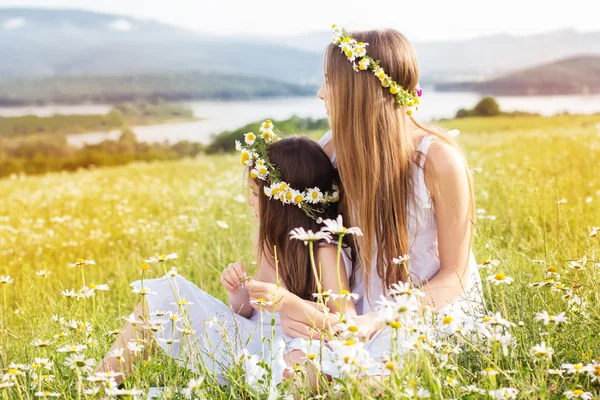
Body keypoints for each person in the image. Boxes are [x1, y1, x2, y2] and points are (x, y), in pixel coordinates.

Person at [279, 25, 485, 373]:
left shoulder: (438, 161)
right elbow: (312, 242)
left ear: (359, 90)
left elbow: (456, 275)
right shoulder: (331, 150)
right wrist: (297, 308)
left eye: (330, 81)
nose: (321, 94)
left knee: (359, 373)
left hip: (424, 307)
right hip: (348, 304)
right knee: (290, 364)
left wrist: (380, 318)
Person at [95, 126, 357, 390]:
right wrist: (239, 291)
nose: (249, 202)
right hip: (253, 341)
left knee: (305, 369)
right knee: (166, 294)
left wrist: (287, 303)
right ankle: (98, 388)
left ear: (282, 201)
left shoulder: (324, 249)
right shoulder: (268, 239)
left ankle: (258, 386)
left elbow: (345, 325)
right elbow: (248, 312)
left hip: (294, 345)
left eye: (255, 194)